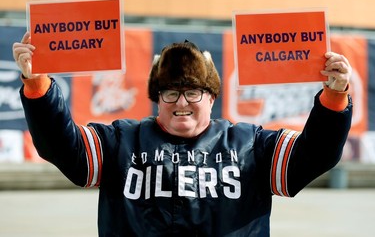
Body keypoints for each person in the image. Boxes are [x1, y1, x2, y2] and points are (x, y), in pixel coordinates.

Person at [13, 31, 352, 236]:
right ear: (156, 98)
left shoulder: (250, 144)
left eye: (193, 92)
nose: (181, 103)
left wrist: (335, 96)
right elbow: (62, 145)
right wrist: (37, 84)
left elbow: (314, 155)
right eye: (169, 93)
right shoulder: (121, 141)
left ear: (212, 97)